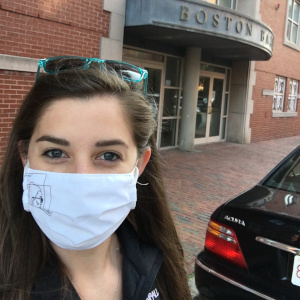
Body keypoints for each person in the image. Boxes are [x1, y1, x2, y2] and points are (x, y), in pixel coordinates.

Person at [0, 56, 192, 300]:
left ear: (139, 164)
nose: (81, 179)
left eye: (109, 155)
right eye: (55, 153)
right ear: (25, 157)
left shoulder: (162, 264)